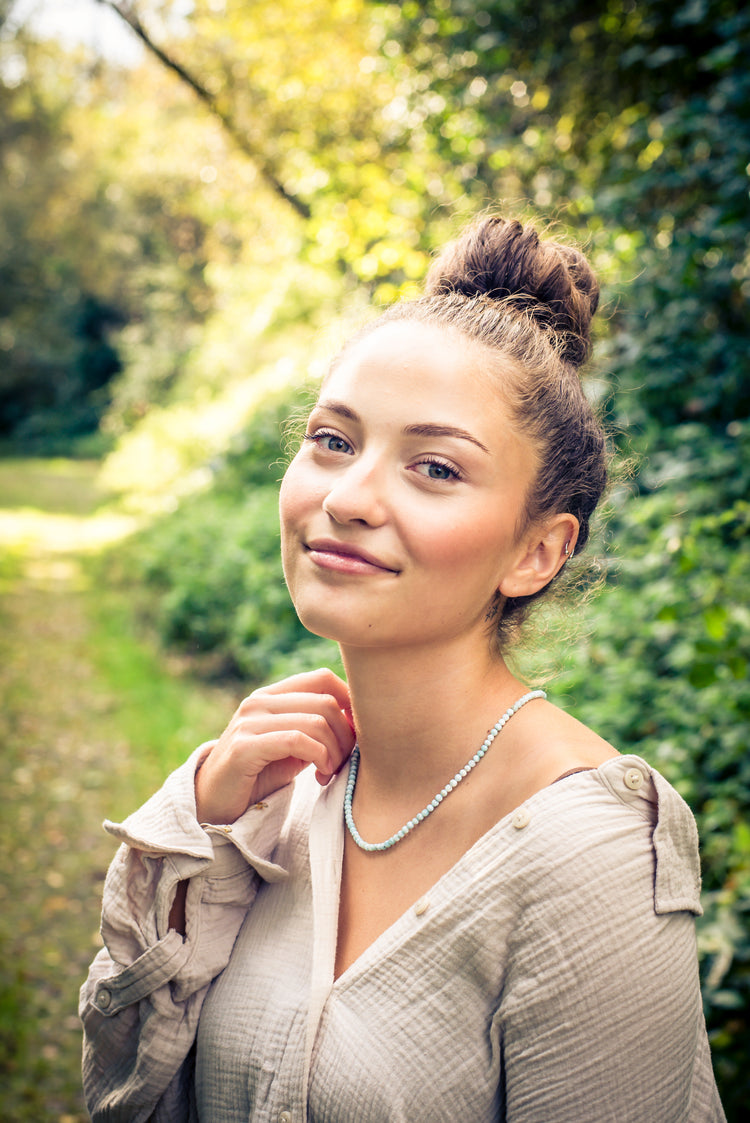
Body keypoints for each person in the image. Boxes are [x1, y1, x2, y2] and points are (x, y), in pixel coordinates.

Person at [80, 215, 726, 1122]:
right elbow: (127, 1092)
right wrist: (210, 832)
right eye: (333, 441)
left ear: (537, 551)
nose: (345, 498)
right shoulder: (282, 793)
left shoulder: (593, 851)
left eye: (433, 467)